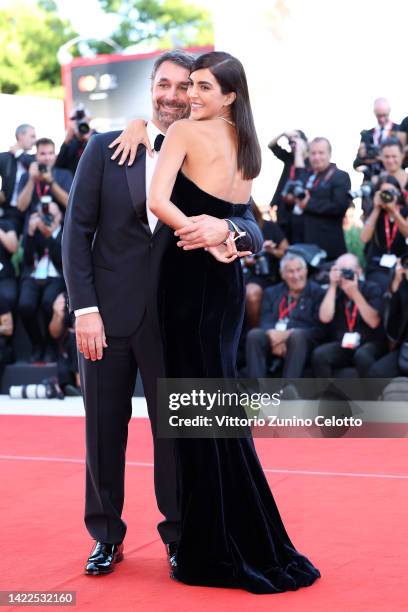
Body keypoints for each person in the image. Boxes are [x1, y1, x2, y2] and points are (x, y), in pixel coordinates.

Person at [61, 50, 263, 578]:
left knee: (175, 436)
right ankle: (105, 535)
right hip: (105, 319)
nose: (175, 96)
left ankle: (180, 536)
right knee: (103, 432)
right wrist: (84, 309)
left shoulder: (208, 148)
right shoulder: (106, 148)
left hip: (176, 321)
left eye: (187, 86)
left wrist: (234, 233)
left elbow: (252, 222)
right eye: (166, 85)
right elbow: (75, 235)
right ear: (151, 88)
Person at [145, 51, 320, 593]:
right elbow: (239, 217)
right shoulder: (246, 144)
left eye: (201, 87)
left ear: (229, 95)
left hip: (185, 277)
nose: (191, 96)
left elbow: (157, 200)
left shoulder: (184, 135)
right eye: (189, 86)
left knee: (196, 413)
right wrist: (220, 233)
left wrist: (194, 231)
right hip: (221, 282)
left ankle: (211, 547)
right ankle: (243, 534)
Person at [245, 253, 324, 379]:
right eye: (290, 271)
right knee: (255, 335)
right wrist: (274, 337)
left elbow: (320, 329)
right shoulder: (271, 292)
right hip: (275, 338)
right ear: (282, 274)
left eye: (299, 270)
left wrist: (287, 334)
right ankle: (255, 390)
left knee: (297, 336)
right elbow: (265, 321)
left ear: (306, 270)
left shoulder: (318, 293)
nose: (296, 275)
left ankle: (288, 389)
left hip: (305, 341)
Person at [312, 254, 386, 377]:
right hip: (344, 344)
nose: (343, 275)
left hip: (369, 342)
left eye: (347, 271)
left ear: (358, 271)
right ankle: (325, 394)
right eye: (340, 271)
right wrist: (332, 286)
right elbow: (325, 318)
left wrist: (355, 293)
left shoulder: (371, 288)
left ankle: (374, 394)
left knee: (362, 355)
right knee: (320, 354)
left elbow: (374, 321)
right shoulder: (335, 291)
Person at [18, 201, 65, 362]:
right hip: (34, 274)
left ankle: (52, 345)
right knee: (25, 305)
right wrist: (30, 233)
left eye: (52, 215)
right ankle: (38, 344)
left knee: (48, 301)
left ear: (60, 215)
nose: (48, 219)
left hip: (56, 275)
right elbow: (27, 259)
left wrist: (52, 234)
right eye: (45, 216)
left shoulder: (65, 231)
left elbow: (62, 261)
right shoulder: (36, 229)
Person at [292, 137, 351, 261]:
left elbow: (339, 206)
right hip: (302, 244)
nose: (316, 157)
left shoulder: (340, 176)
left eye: (321, 153)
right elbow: (296, 188)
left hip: (328, 248)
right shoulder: (306, 175)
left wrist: (308, 204)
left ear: (329, 154)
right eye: (313, 153)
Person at [360, 175, 408, 292]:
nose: (388, 195)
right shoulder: (374, 211)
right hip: (377, 263)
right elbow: (364, 238)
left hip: (401, 262)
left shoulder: (405, 211)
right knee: (378, 286)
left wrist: (394, 212)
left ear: (399, 193)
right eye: (384, 192)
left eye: (392, 191)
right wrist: (376, 208)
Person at [244, 203, 288, 328]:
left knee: (251, 293)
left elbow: (286, 251)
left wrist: (270, 250)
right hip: (238, 272)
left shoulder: (269, 227)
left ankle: (255, 332)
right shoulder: (232, 228)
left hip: (264, 275)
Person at [369, 255, 408, 377]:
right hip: (405, 346)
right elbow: (392, 322)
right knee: (377, 372)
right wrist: (396, 283)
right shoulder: (404, 287)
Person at [17, 138, 73, 218]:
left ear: (55, 156)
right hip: (32, 225)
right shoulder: (26, 176)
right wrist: (32, 179)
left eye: (51, 153)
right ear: (36, 156)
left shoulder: (65, 174)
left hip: (59, 226)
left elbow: (69, 203)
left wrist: (50, 181)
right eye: (43, 154)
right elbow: (21, 207)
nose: (47, 158)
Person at [268, 129, 308, 241]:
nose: (292, 143)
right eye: (290, 142)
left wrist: (300, 152)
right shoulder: (289, 158)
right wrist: (283, 133)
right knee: (283, 239)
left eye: (296, 139)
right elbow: (271, 145)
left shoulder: (312, 160)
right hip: (283, 207)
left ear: (304, 141)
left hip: (300, 207)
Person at [0, 124, 36, 234]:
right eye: (32, 136)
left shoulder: (33, 158)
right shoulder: (4, 158)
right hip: (9, 211)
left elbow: (37, 166)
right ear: (20, 136)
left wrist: (18, 153)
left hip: (31, 211)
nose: (35, 140)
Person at [353, 97, 399, 180]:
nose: (382, 119)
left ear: (389, 111)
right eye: (379, 116)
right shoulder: (367, 135)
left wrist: (386, 159)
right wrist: (363, 158)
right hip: (370, 182)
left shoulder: (400, 132)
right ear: (374, 112)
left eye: (384, 115)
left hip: (393, 182)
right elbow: (356, 164)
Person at [56, 105, 97, 176]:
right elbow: (59, 165)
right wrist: (66, 141)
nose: (79, 121)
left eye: (82, 117)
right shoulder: (70, 141)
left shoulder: (97, 137)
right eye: (75, 118)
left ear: (89, 119)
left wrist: (89, 141)